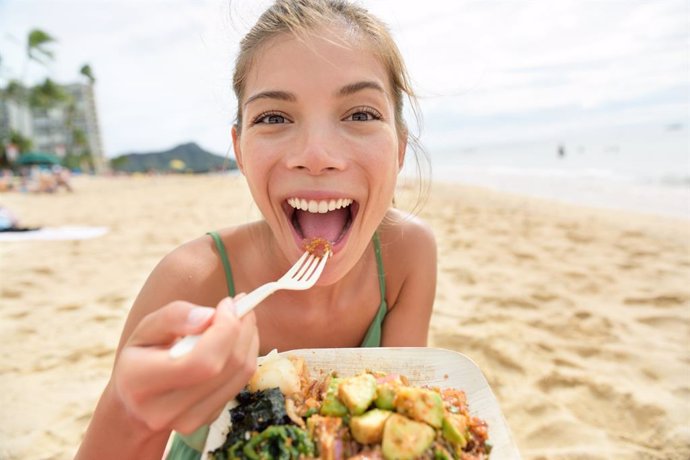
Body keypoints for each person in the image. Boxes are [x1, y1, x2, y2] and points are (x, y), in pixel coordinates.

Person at [75, 1, 437, 459]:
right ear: (240, 150)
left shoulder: (409, 255)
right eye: (273, 117)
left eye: (360, 114)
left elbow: (398, 423)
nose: (317, 153)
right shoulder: (191, 281)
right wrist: (131, 411)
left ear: (400, 148)